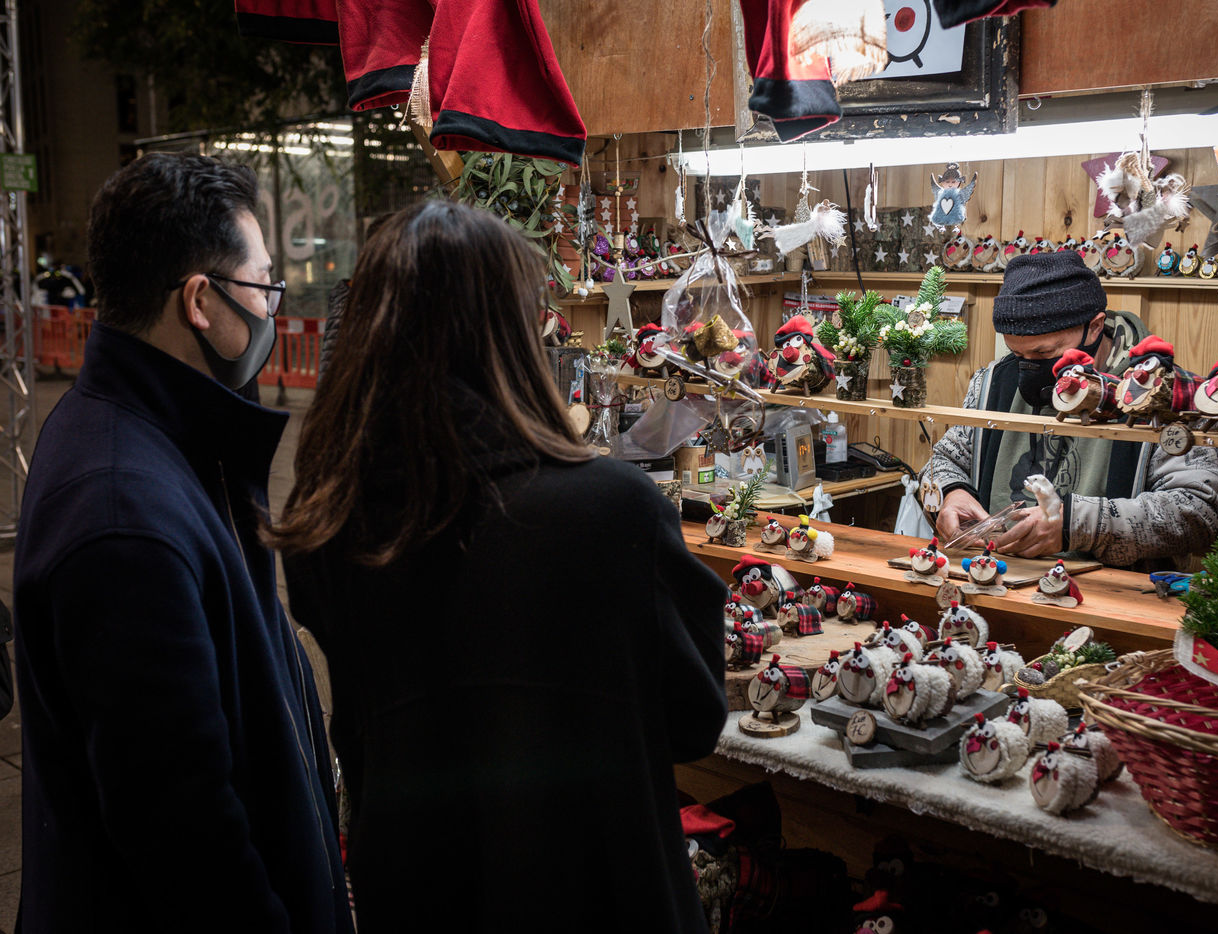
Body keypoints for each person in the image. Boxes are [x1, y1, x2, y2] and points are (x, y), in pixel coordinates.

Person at [270, 200, 728, 933]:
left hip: (418, 897)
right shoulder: (614, 512)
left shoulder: (328, 526)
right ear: (512, 335)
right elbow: (694, 722)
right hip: (600, 894)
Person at [12, 153, 353, 933]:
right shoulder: (121, 518)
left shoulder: (167, 435)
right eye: (262, 286)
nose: (270, 309)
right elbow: (187, 840)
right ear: (199, 300)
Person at [925, 250, 1218, 568]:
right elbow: (944, 460)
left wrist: (1078, 525)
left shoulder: (1171, 396)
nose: (1028, 368)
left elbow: (1201, 513)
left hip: (1112, 592)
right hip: (993, 578)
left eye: (1044, 352)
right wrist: (951, 493)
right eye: (1017, 354)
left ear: (1095, 327)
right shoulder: (991, 383)